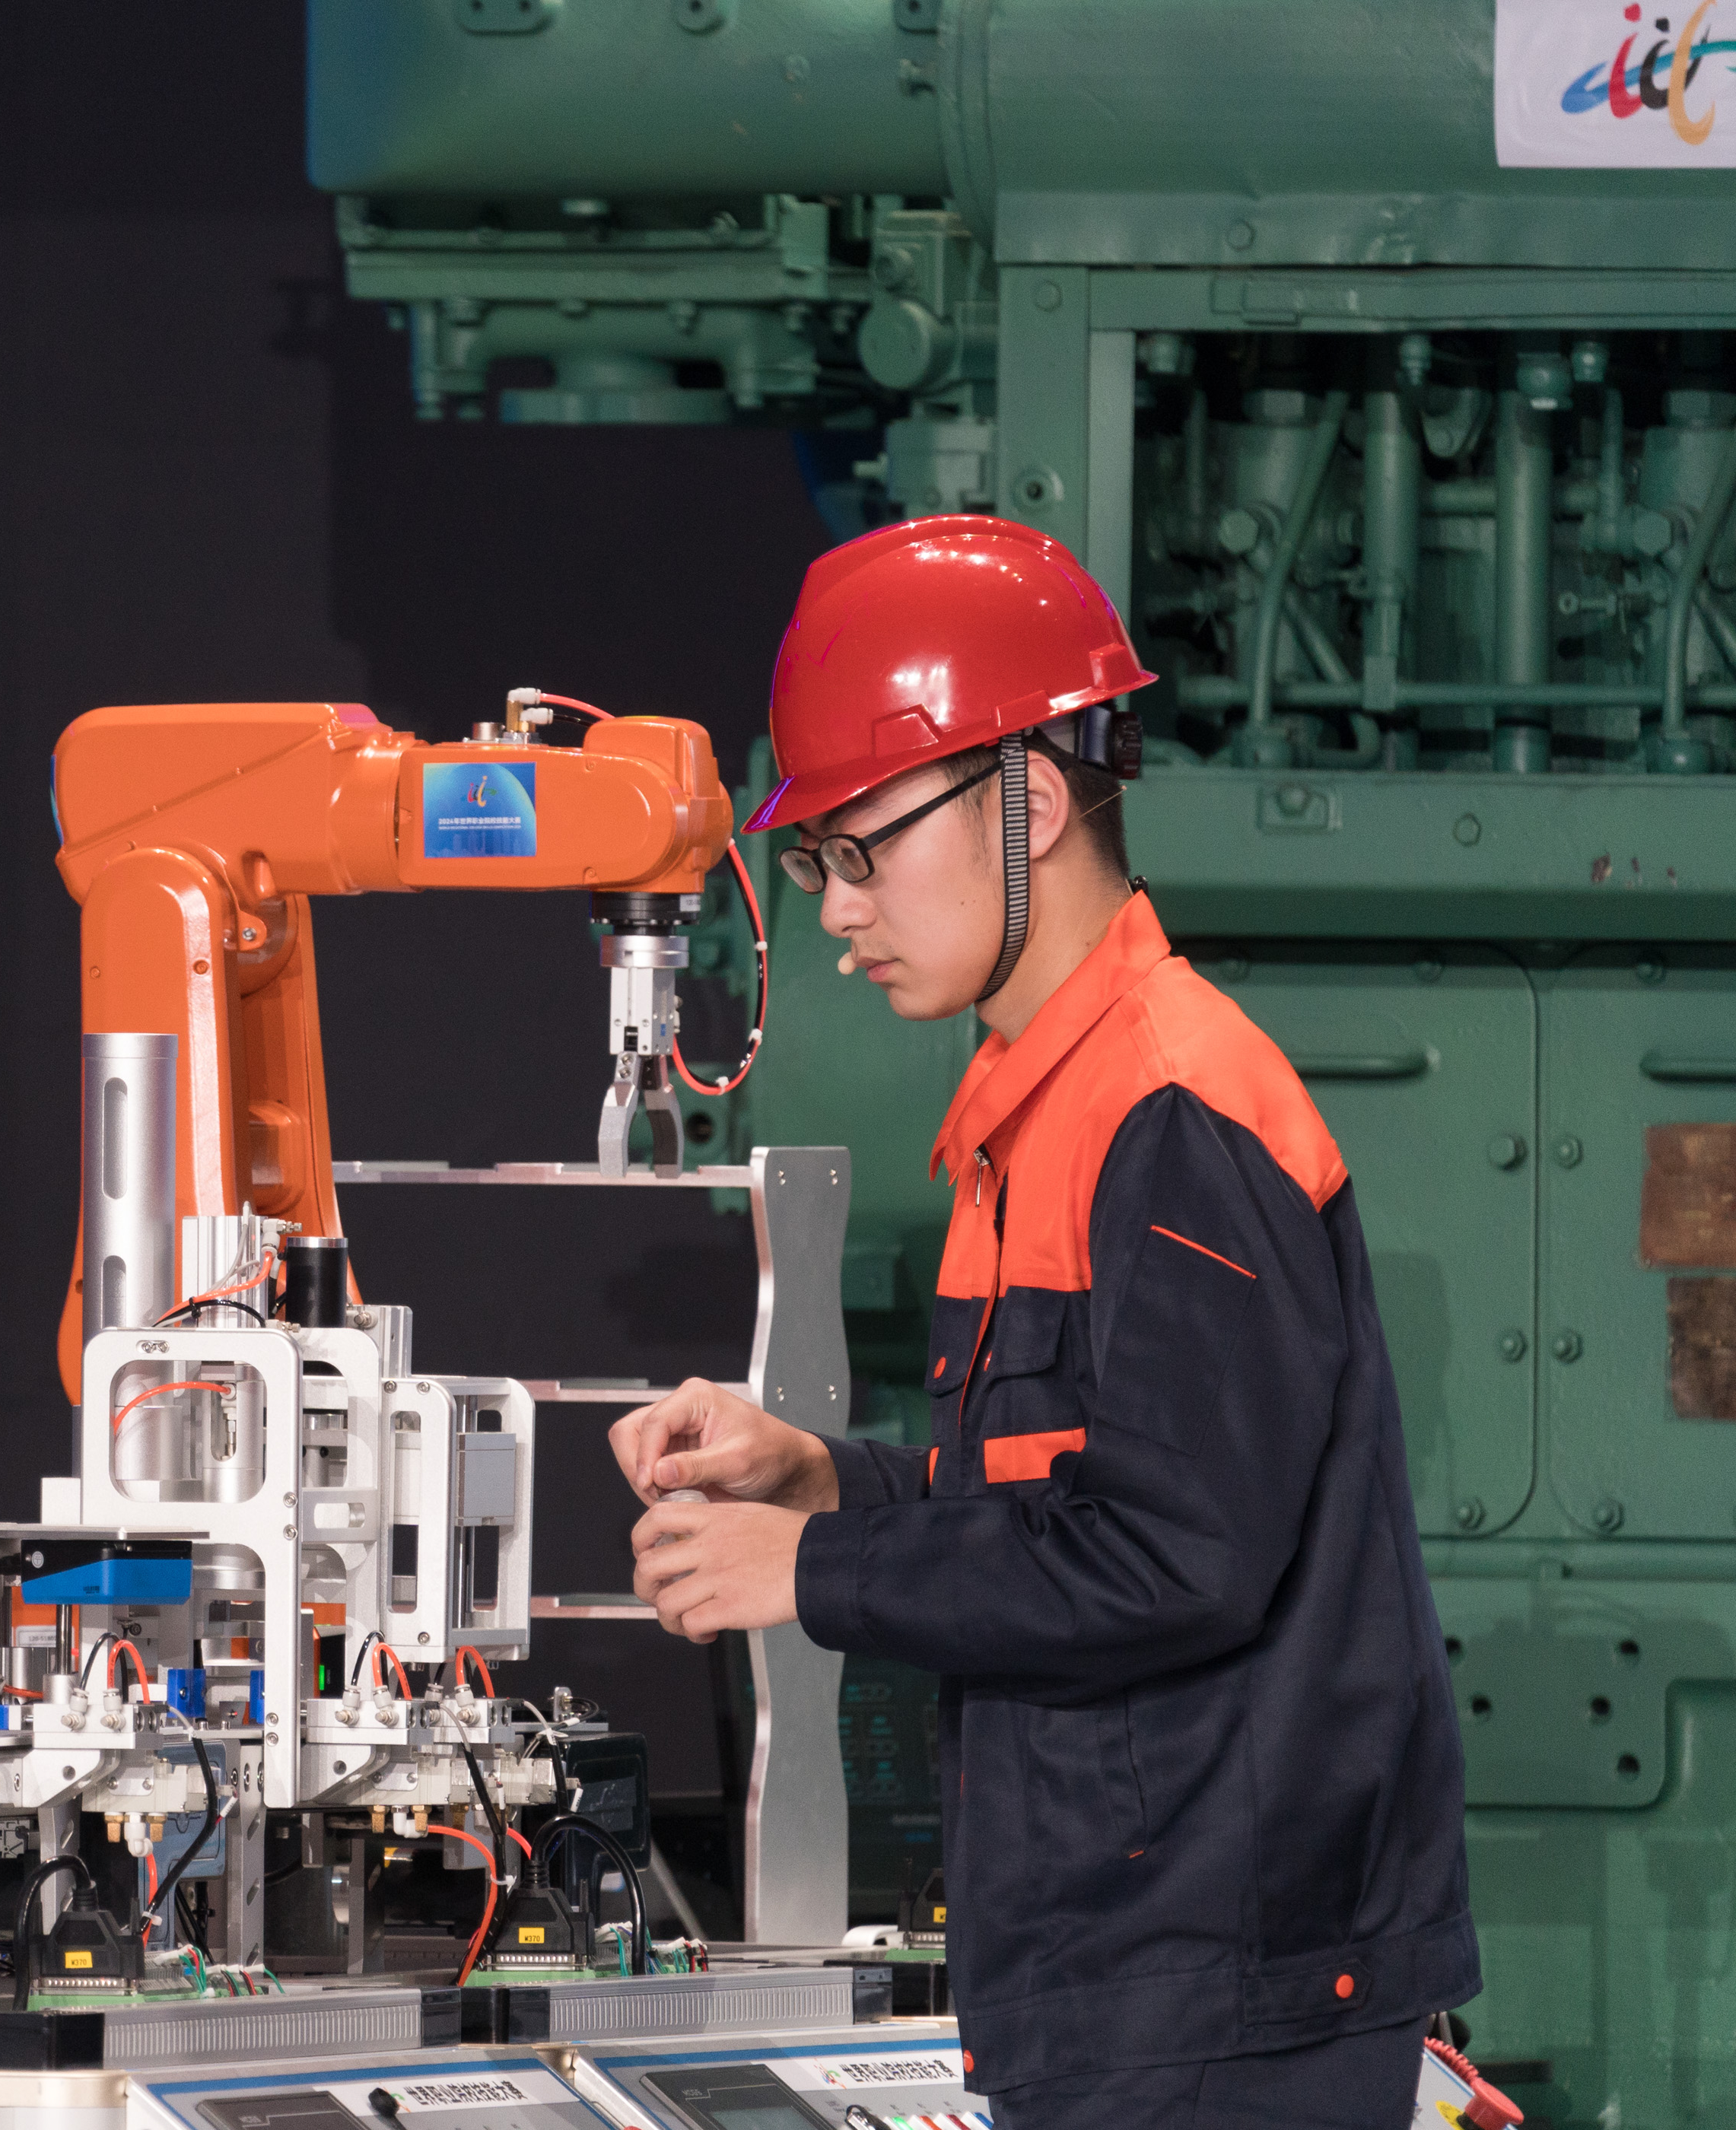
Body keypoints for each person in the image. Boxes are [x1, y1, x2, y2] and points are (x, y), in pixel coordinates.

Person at [609, 515, 1475, 2128]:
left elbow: (1169, 1556)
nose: (837, 908)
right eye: (815, 862)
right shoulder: (1051, 1107)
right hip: (1136, 1985)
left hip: (1224, 2002)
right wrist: (823, 1479)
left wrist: (814, 1571)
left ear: (1038, 791)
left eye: (865, 844)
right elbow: (1056, 1496)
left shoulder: (1175, 1114)